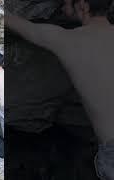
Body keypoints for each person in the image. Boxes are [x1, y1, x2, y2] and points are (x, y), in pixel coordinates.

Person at [8, 0, 114, 179]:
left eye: (66, 4)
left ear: (83, 6)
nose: (62, 9)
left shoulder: (67, 39)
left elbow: (16, 23)